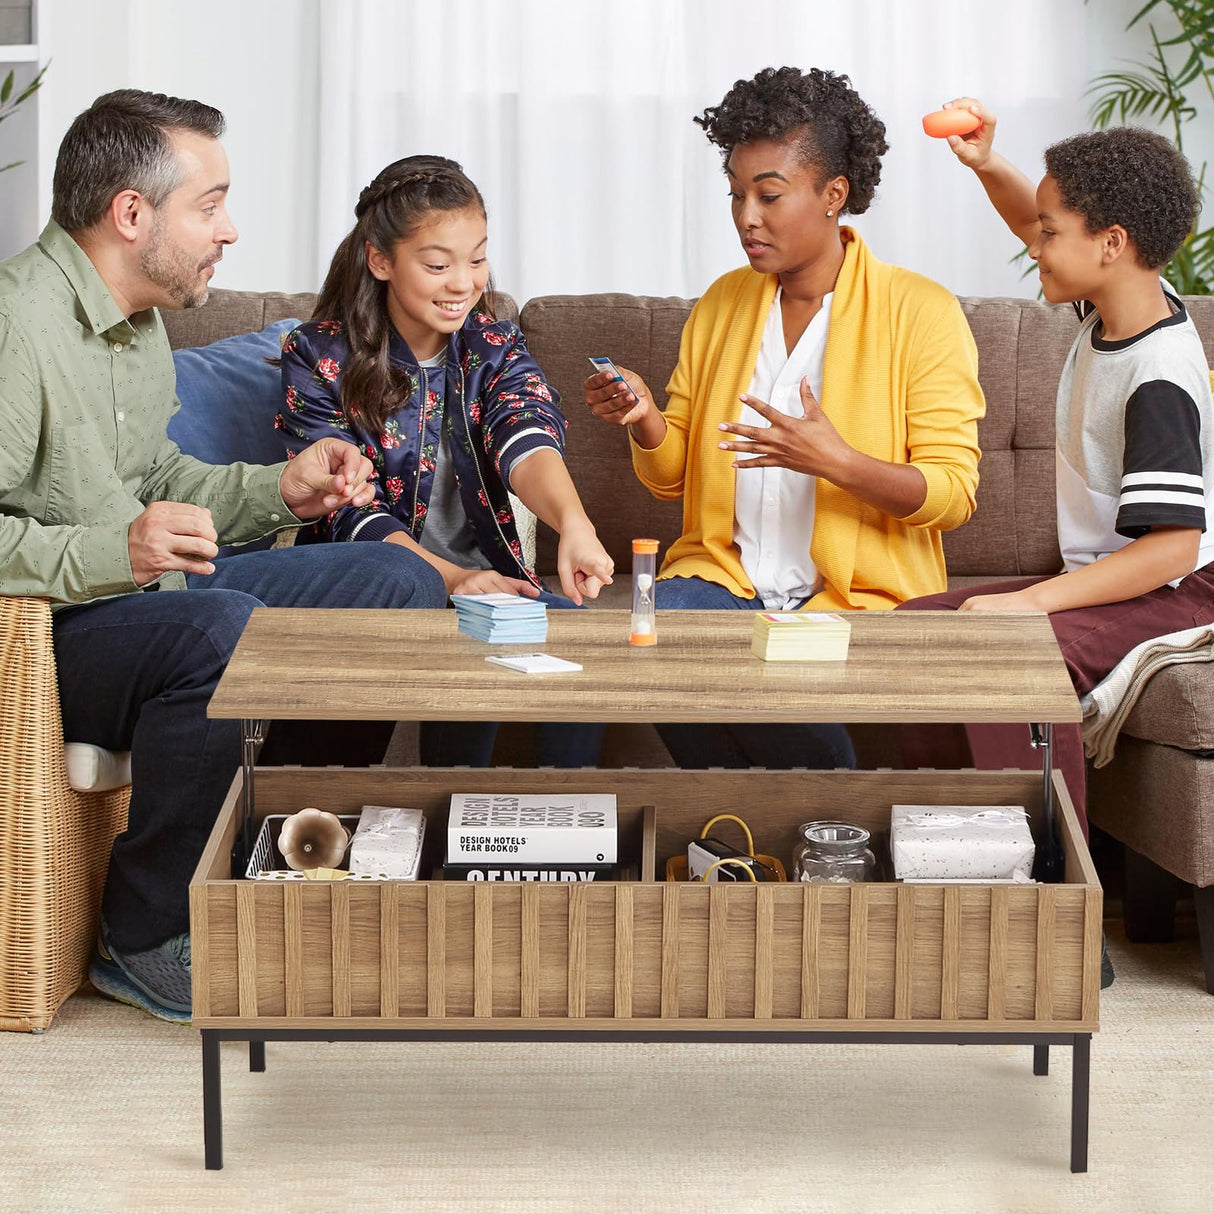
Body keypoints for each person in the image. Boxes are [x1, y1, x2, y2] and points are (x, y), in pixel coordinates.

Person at [0, 91, 449, 1024]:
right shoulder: (16, 326)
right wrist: (113, 548)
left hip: (151, 600)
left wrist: (283, 489)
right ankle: (143, 933)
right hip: (51, 636)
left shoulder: (137, 323)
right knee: (220, 630)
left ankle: (276, 861)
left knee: (396, 582)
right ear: (132, 213)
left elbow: (161, 477)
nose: (229, 230)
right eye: (209, 205)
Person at [583, 66, 984, 770]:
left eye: (769, 195)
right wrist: (646, 419)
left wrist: (839, 463)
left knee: (782, 687)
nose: (747, 216)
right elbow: (672, 477)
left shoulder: (921, 311)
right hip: (722, 580)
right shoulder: (723, 303)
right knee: (654, 634)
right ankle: (762, 821)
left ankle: (811, 813)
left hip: (852, 597)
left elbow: (953, 495)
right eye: (736, 194)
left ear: (834, 195)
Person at [898, 102, 1214, 848]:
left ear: (1112, 243)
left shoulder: (1157, 376)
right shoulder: (1117, 302)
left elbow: (1172, 548)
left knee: (1016, 651)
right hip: (1122, 572)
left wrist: (1030, 603)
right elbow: (1036, 223)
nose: (1033, 247)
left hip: (1183, 583)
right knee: (912, 632)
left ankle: (1055, 880)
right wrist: (987, 165)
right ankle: (944, 847)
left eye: (1049, 234)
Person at [276, 155, 614, 767]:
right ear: (380, 260)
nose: (464, 283)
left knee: (579, 643)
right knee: (322, 776)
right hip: (367, 588)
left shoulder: (495, 346)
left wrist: (575, 524)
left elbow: (526, 434)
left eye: (477, 259)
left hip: (488, 591)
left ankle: (563, 821)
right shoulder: (318, 355)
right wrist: (450, 579)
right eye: (438, 265)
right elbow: (345, 511)